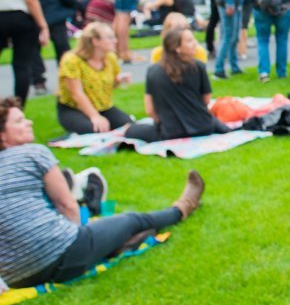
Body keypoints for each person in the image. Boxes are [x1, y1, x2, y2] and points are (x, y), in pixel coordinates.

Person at [0, 99, 205, 289]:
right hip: (60, 257)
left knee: (102, 228)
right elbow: (66, 205)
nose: (29, 122)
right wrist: (81, 239)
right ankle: (183, 207)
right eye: (19, 121)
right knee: (132, 220)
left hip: (16, 278)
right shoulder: (34, 153)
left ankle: (117, 241)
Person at [127, 29, 229, 142]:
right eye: (190, 40)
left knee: (129, 130)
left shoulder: (153, 71)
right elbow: (206, 100)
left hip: (170, 131)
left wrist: (162, 123)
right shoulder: (198, 67)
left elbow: (150, 110)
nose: (195, 43)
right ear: (177, 48)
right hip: (203, 126)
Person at [55, 23, 133, 134]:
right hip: (74, 108)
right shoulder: (72, 60)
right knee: (94, 130)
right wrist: (95, 116)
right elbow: (76, 93)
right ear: (95, 41)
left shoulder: (110, 58)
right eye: (110, 38)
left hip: (103, 107)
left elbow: (110, 84)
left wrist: (119, 80)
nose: (115, 41)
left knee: (130, 128)